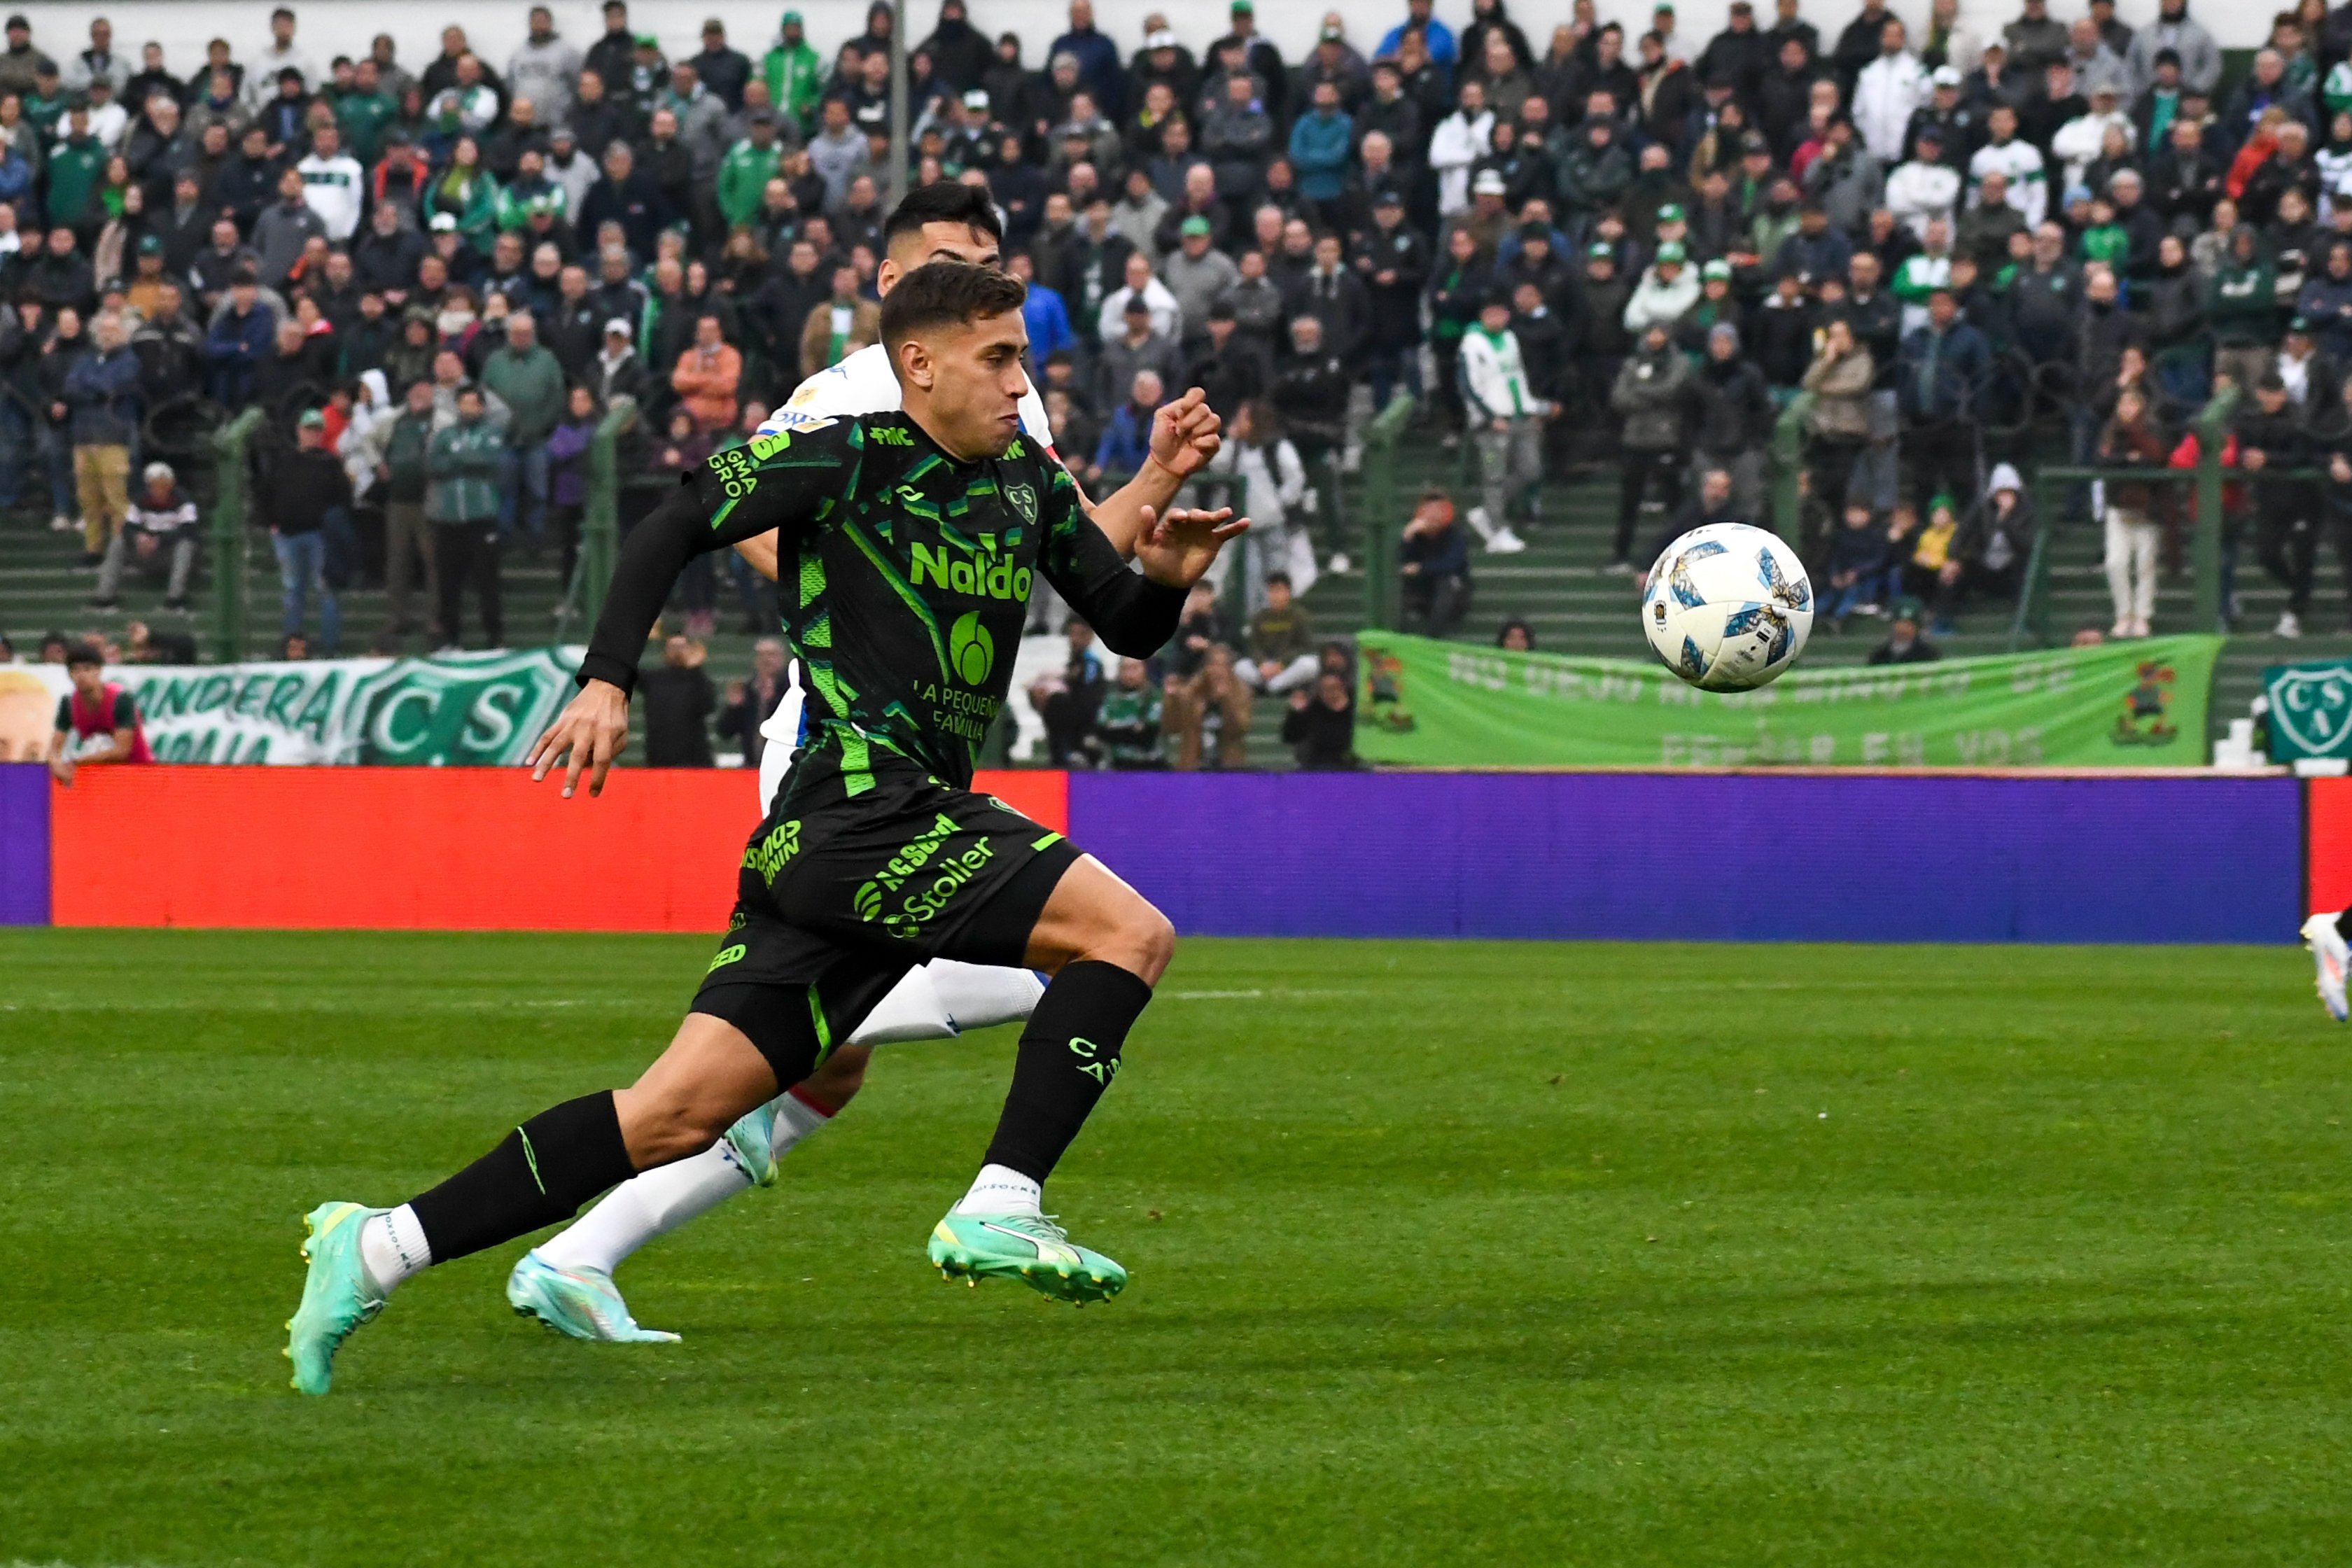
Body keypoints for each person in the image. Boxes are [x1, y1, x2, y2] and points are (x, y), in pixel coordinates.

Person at [283, 261, 1246, 1392]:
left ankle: (381, 1245)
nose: (1017, 383)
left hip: (838, 843)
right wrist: (607, 683)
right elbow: (675, 520)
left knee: (673, 1116)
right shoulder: (851, 455)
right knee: (1127, 937)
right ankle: (1004, 1201)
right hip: (862, 810)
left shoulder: (1026, 483)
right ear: (920, 364)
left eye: (1022, 358)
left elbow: (1122, 622)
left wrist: (1171, 571)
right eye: (997, 358)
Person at [1458, 293, 1541, 553]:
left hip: (1518, 413)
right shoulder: (1471, 344)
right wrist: (1488, 415)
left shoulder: (1509, 338)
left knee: (1530, 470)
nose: (1497, 318)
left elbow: (1517, 375)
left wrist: (1530, 405)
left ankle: (1486, 512)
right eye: (1491, 313)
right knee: (1494, 476)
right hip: (1492, 420)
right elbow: (1468, 384)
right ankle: (1496, 530)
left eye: (1501, 312)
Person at [428, 384, 505, 650]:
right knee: (449, 582)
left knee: (487, 580)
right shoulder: (445, 434)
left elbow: (489, 459)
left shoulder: (492, 431)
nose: (468, 408)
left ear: (482, 407)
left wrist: (457, 459)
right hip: (449, 518)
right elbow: (432, 464)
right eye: (464, 403)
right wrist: (464, 461)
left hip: (481, 516)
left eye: (474, 403)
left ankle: (495, 636)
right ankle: (451, 637)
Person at [90, 461, 197, 612]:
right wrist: (138, 538)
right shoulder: (140, 500)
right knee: (118, 541)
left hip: (169, 553)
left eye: (163, 485)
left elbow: (189, 529)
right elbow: (128, 527)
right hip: (145, 552)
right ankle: (104, 597)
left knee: (186, 544)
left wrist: (159, 540)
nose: (159, 490)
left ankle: (175, 598)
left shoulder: (183, 500)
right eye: (154, 485)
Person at [47, 640, 148, 783]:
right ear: (69, 674)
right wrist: (55, 763)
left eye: (87, 669)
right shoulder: (68, 703)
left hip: (138, 772)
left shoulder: (121, 699)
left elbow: (122, 751)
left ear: (99, 670)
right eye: (76, 670)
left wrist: (79, 761)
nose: (81, 675)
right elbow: (54, 748)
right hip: (98, 776)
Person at [1399, 486, 1472, 636]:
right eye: (1428, 510)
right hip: (1423, 592)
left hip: (1453, 595)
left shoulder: (1456, 534)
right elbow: (1403, 562)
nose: (1433, 515)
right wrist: (1407, 538)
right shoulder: (1416, 535)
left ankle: (1434, 637)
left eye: (1439, 509)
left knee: (1445, 581)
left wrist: (1421, 568)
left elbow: (1453, 563)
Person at [639, 634, 715, 767]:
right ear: (665, 652)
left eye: (681, 647)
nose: (677, 651)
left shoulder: (698, 679)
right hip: (659, 758)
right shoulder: (653, 679)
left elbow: (708, 706)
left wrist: (696, 669)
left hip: (694, 759)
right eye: (673, 647)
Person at [1237, 571, 1317, 696]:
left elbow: (1305, 647)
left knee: (1310, 665)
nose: (1275, 596)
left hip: (1287, 667)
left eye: (1279, 591)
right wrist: (1262, 664)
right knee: (1240, 667)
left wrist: (1282, 664)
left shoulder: (1299, 616)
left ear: (1288, 593)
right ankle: (1274, 686)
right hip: (1265, 666)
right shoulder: (1260, 617)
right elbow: (1253, 646)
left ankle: (1272, 687)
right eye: (1271, 591)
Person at [1281, 668, 1361, 769]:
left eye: (1334, 688)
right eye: (1324, 689)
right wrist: (1296, 714)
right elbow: (1290, 737)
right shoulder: (1314, 710)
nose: (1329, 694)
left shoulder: (1356, 710)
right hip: (1319, 767)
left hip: (1355, 767)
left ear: (1344, 688)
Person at [1865, 596, 1941, 663]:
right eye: (1900, 623)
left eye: (1909, 624)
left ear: (1917, 627)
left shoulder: (1929, 655)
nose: (1903, 629)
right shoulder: (1880, 655)